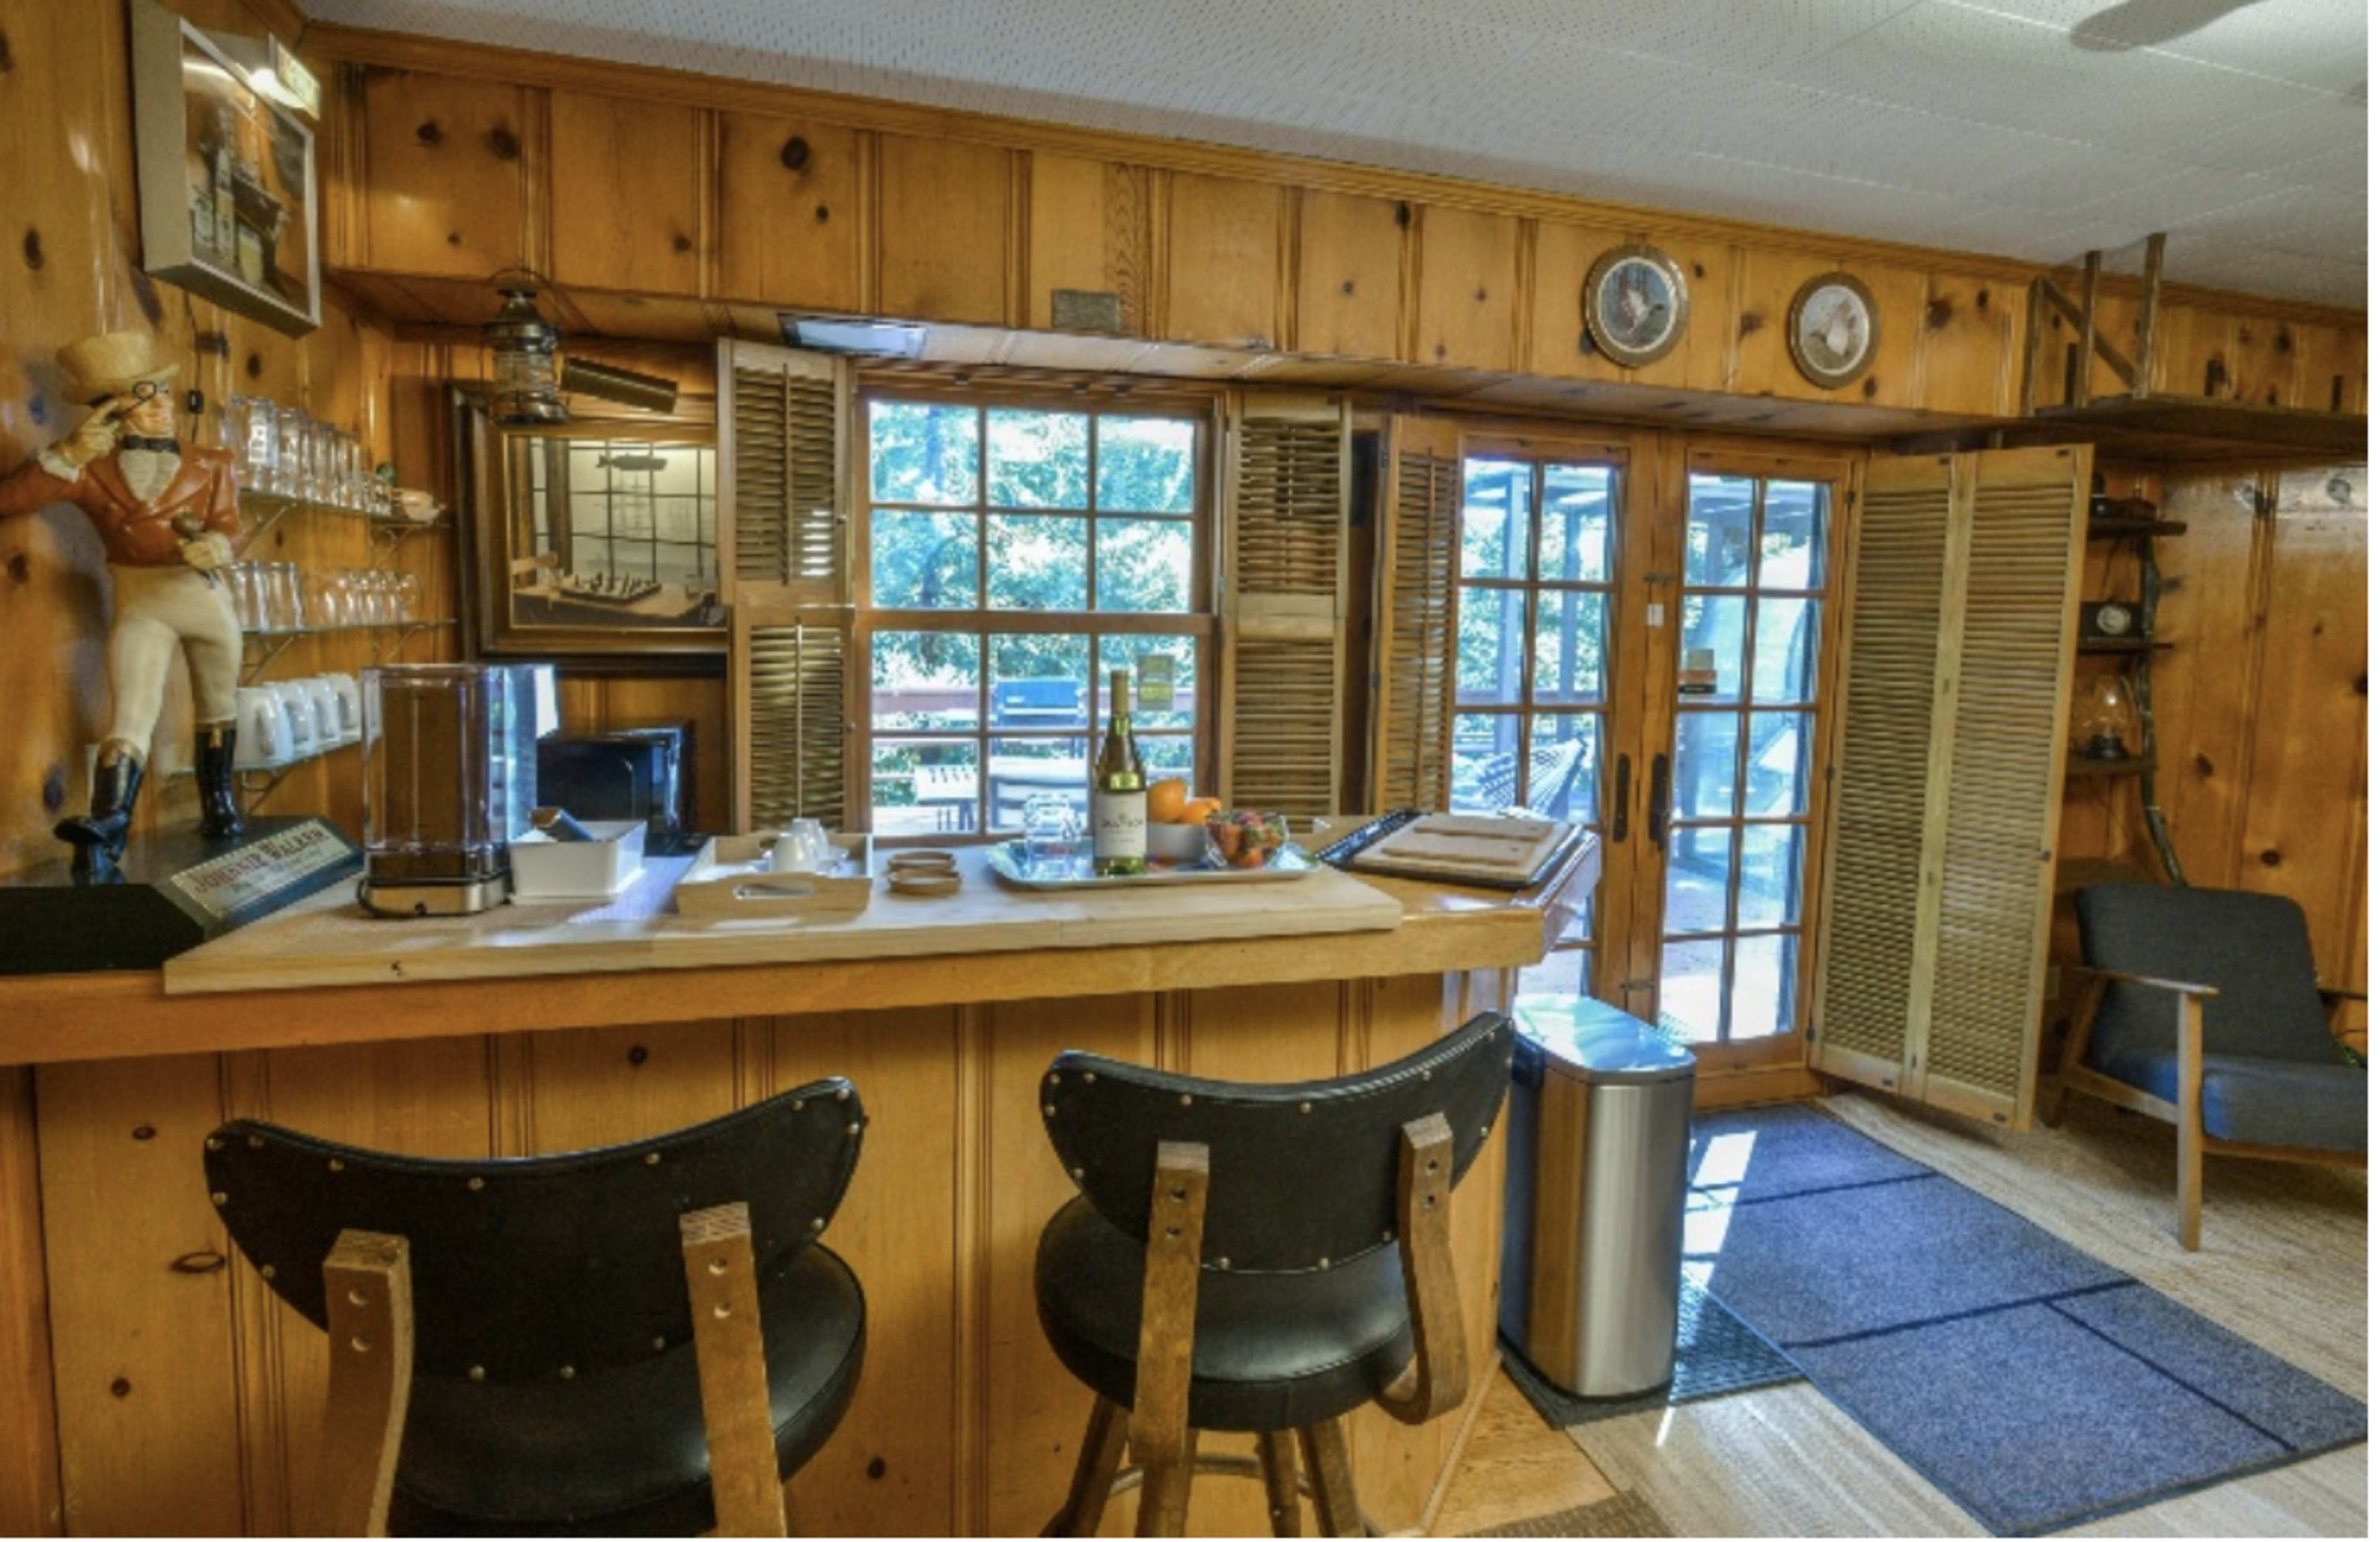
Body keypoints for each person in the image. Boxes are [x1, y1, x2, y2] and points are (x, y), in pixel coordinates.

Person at [0, 329, 244, 873]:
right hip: (140, 600)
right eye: (144, 398)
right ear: (110, 412)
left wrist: (219, 544)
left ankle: (219, 802)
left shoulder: (213, 462)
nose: (162, 408)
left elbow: (231, 523)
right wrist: (66, 453)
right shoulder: (87, 469)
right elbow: (13, 499)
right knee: (130, 711)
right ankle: (109, 822)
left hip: (202, 597)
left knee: (218, 701)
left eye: (163, 395)